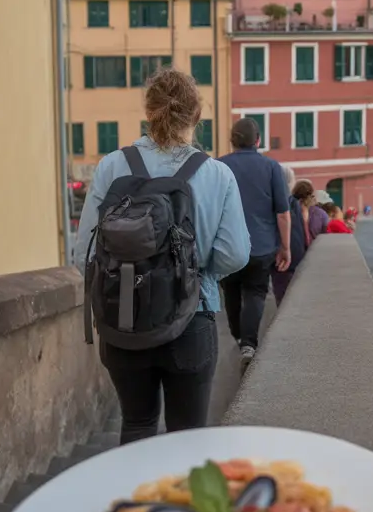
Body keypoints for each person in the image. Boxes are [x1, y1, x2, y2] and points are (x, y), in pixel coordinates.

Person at [74, 69, 250, 445]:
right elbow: (236, 254)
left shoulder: (111, 166)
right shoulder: (217, 175)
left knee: (136, 426)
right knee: (186, 439)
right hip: (191, 319)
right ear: (197, 116)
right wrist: (195, 273)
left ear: (148, 112)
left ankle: (135, 502)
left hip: (123, 321)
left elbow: (81, 256)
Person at [220, 117, 291, 368]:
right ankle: (248, 344)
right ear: (258, 140)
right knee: (255, 292)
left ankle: (238, 335)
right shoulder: (272, 167)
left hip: (227, 247)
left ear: (232, 140)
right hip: (261, 247)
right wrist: (285, 247)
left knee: (230, 291)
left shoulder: (219, 166)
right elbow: (283, 213)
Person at [271, 165, 307, 305]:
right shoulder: (293, 202)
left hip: (282, 254)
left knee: (282, 293)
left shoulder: (276, 201)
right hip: (296, 252)